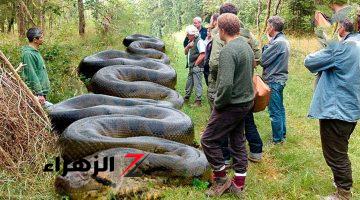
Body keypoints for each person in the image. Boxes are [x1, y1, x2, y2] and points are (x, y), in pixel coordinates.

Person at [304, 19, 360, 200]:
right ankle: (340, 183)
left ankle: (343, 193)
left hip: (336, 109)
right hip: (351, 107)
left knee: (336, 154)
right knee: (340, 148)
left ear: (343, 28)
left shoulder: (344, 47)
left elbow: (310, 61)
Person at [201, 13, 255, 198]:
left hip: (231, 104)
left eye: (218, 29)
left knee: (208, 140)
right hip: (246, 103)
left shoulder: (228, 51)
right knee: (238, 141)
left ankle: (222, 179)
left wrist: (218, 104)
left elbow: (225, 84)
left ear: (222, 30)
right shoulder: (246, 47)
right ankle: (239, 184)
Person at [208, 3, 263, 164]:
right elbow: (258, 56)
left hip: (228, 87)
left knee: (222, 125)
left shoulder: (221, 35)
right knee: (246, 120)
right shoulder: (247, 33)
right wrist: (246, 67)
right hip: (246, 86)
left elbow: (214, 63)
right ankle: (255, 151)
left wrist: (229, 68)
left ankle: (225, 159)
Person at [261, 16, 290, 144]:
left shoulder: (278, 43)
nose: (267, 28)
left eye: (268, 26)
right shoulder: (282, 40)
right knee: (279, 108)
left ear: (272, 27)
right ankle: (281, 135)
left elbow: (263, 60)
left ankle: (277, 140)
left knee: (274, 111)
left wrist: (267, 45)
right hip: (279, 79)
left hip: (274, 80)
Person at [20, 27, 52, 108]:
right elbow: (31, 74)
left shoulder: (35, 52)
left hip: (41, 92)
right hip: (36, 94)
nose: (43, 39)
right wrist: (39, 93)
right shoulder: (28, 54)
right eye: (41, 37)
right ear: (35, 40)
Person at [184, 25, 206, 107]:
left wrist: (195, 64)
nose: (187, 36)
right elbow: (185, 52)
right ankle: (186, 98)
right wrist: (188, 46)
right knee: (189, 83)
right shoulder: (190, 41)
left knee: (197, 84)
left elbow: (203, 54)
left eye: (188, 34)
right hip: (191, 67)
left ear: (193, 34)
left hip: (197, 67)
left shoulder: (199, 41)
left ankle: (198, 101)